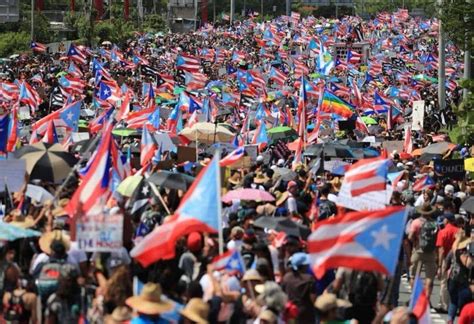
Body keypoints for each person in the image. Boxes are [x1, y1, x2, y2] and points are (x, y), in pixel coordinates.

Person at [408, 202, 438, 299]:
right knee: (429, 278)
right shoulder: (434, 223)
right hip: (431, 252)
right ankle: (426, 299)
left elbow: (410, 236)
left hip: (418, 251)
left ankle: (416, 298)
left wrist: (415, 242)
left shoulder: (416, 222)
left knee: (413, 276)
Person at [281, 252, 316, 323]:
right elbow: (313, 299)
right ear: (303, 266)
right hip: (306, 314)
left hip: (290, 312)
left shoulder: (286, 278)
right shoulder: (309, 279)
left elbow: (283, 295)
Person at [435, 211, 459, 312]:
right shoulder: (458, 231)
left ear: (447, 220)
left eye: (444, 218)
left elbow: (441, 250)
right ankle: (454, 304)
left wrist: (440, 265)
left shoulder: (442, 232)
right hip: (457, 259)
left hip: (445, 259)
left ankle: (445, 305)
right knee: (455, 282)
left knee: (444, 282)